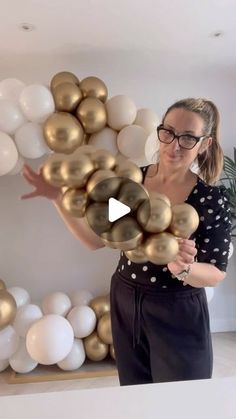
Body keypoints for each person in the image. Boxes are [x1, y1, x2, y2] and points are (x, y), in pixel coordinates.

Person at [22, 97, 232, 386]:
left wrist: (183, 268)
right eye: (168, 132)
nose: (173, 145)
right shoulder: (132, 182)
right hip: (126, 299)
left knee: (181, 401)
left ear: (204, 144)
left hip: (178, 310)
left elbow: (216, 272)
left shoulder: (211, 199)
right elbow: (97, 240)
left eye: (187, 138)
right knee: (134, 394)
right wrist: (57, 198)